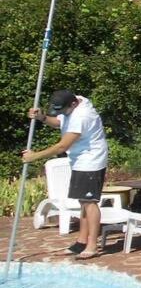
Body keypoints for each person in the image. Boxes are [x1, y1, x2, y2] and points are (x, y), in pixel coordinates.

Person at [22, 90, 109, 260]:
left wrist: (34, 156)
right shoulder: (71, 106)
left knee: (89, 203)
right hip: (79, 161)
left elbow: (62, 147)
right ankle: (81, 242)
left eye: (62, 110)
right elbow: (58, 123)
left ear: (73, 104)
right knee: (83, 201)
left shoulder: (82, 116)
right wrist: (42, 117)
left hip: (90, 161)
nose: (60, 114)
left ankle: (92, 245)